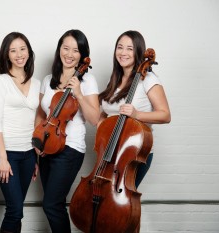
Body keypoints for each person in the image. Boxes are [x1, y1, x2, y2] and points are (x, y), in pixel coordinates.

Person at [97, 30, 171, 232]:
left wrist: (137, 114)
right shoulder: (115, 80)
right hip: (113, 152)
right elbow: (106, 114)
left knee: (124, 205)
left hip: (135, 153)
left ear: (138, 52)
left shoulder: (148, 79)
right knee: (109, 204)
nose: (123, 52)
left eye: (129, 48)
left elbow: (165, 114)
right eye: (120, 47)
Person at [35, 29, 100, 233]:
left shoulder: (88, 81)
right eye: (66, 48)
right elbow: (40, 113)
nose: (69, 54)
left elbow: (95, 119)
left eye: (76, 50)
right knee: (56, 204)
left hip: (70, 149)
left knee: (51, 204)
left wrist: (79, 94)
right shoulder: (48, 79)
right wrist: (37, 142)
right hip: (46, 147)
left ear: (82, 55)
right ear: (59, 50)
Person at [0, 32, 40, 233]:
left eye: (22, 49)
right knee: (15, 209)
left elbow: (36, 122)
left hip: (28, 155)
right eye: (13, 50)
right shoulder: (2, 81)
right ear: (6, 55)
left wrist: (35, 157)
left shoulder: (36, 83)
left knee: (17, 208)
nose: (19, 54)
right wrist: (3, 158)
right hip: (7, 153)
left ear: (29, 51)